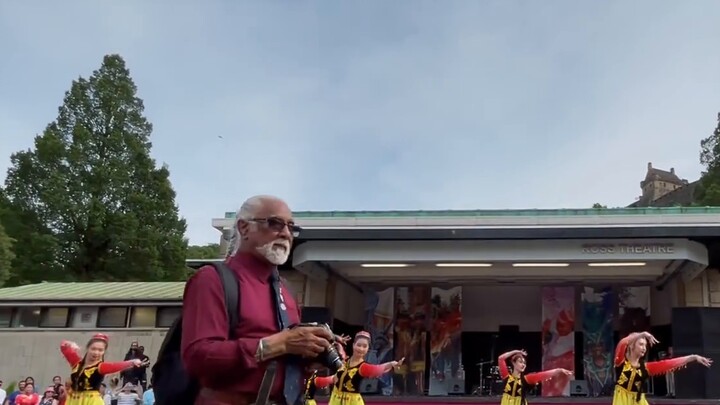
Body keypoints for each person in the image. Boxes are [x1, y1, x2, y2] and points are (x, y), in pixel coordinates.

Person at [181, 195, 336, 405]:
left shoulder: (286, 291)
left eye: (291, 227)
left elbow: (284, 356)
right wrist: (277, 344)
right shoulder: (212, 279)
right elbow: (198, 357)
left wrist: (310, 356)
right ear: (244, 228)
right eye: (274, 223)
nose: (286, 233)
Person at [613, 331, 713, 405]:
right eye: (641, 344)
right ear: (631, 346)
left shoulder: (645, 368)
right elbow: (622, 343)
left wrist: (693, 357)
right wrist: (641, 334)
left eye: (645, 345)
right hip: (622, 401)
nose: (644, 348)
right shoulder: (621, 362)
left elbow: (668, 364)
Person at [320, 331, 404, 405]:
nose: (361, 349)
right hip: (336, 400)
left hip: (351, 402)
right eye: (359, 345)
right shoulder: (345, 362)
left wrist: (391, 364)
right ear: (353, 345)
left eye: (364, 346)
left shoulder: (363, 367)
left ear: (368, 349)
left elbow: (377, 369)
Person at [60, 333, 146, 405]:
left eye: (100, 350)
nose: (96, 352)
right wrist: (71, 344)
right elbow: (64, 346)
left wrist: (131, 362)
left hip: (91, 401)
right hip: (73, 401)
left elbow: (114, 366)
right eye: (93, 349)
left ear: (104, 351)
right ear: (87, 348)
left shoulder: (100, 367)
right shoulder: (77, 364)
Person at [498, 349, 572, 405]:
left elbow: (543, 374)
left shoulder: (526, 379)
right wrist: (516, 351)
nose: (523, 365)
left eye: (524, 363)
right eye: (520, 362)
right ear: (513, 363)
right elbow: (501, 358)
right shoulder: (506, 377)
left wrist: (559, 370)